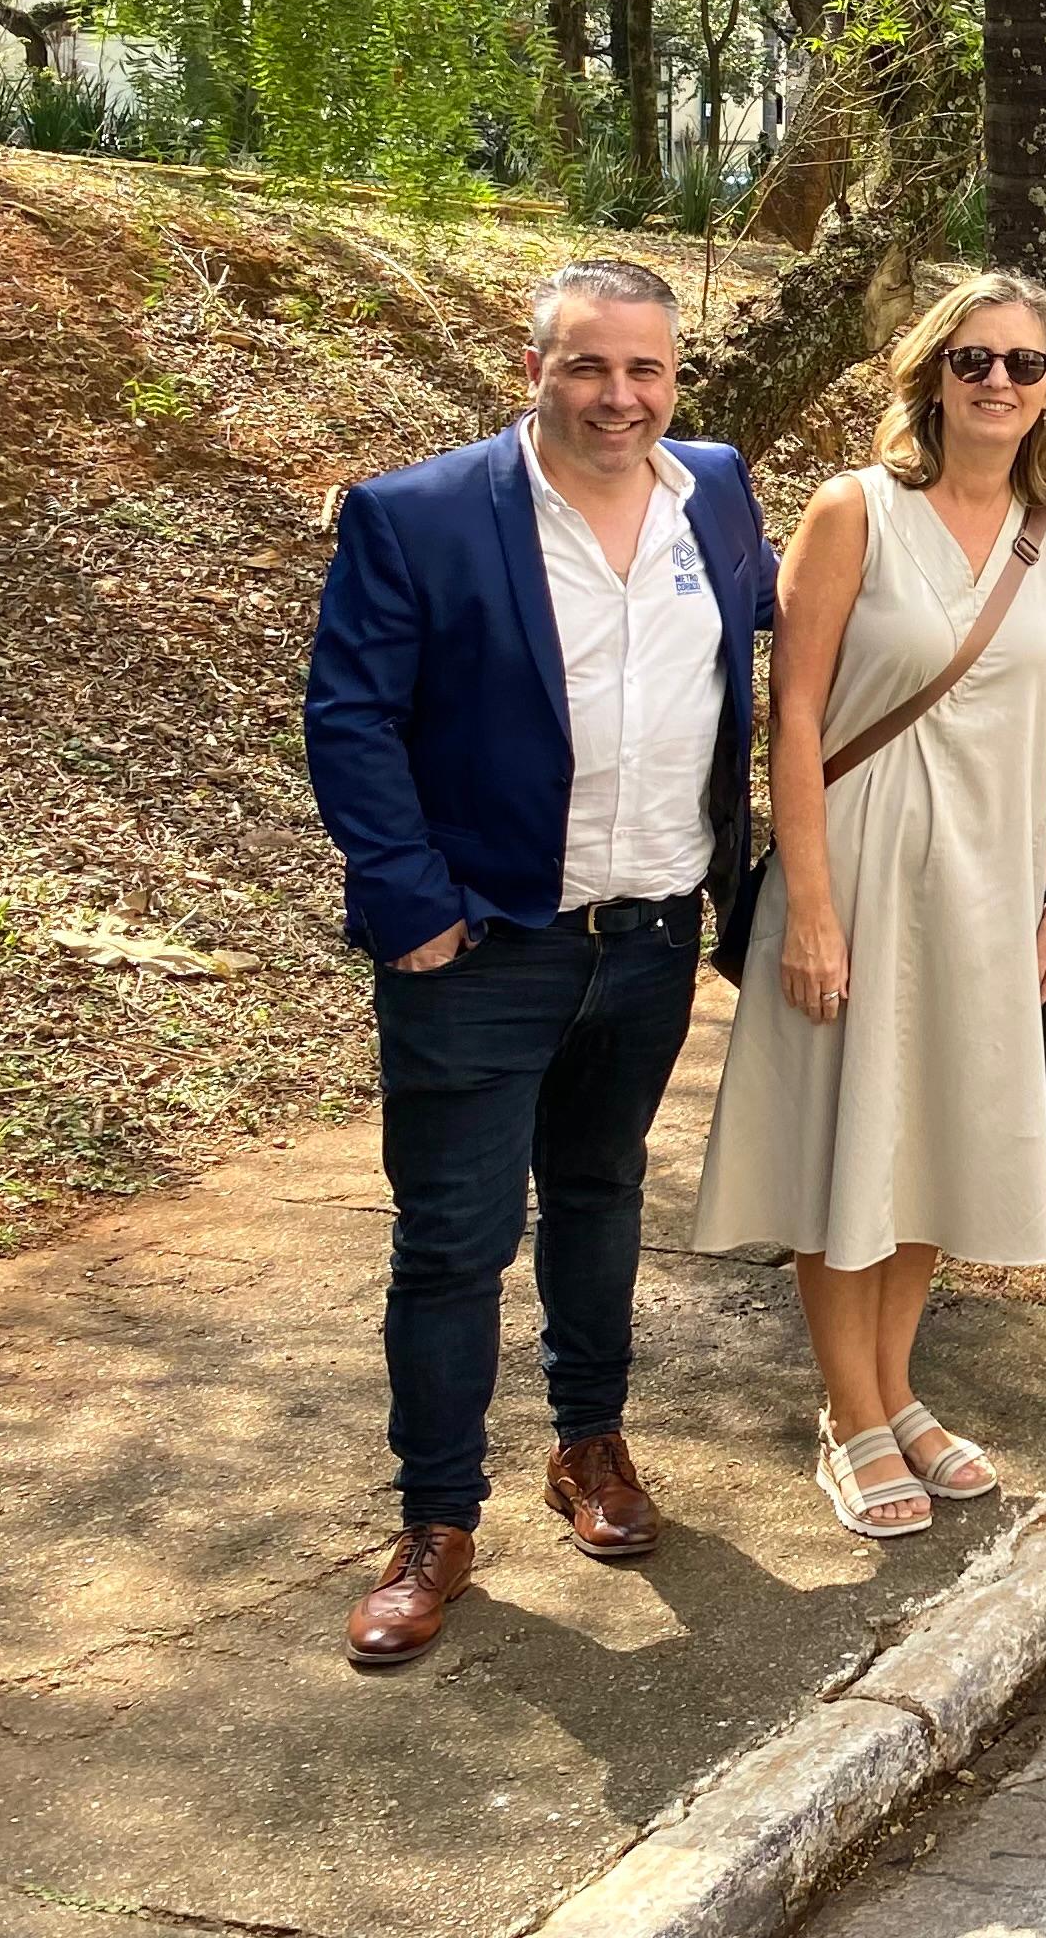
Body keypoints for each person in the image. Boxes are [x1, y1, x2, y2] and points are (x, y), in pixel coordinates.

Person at [304, 260, 779, 1667]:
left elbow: (770, 658)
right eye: (587, 367)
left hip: (649, 933)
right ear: (534, 369)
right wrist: (411, 907)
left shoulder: (718, 494)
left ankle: (591, 1446)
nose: (618, 398)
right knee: (451, 1242)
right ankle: (438, 1521)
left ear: (676, 378)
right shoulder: (422, 515)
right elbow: (352, 718)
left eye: (645, 370)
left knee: (600, 1191)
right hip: (481, 946)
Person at [691, 273, 1046, 1536]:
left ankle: (898, 1388)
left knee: (931, 1133)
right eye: (974, 360)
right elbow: (794, 717)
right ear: (933, 374)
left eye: (1024, 366)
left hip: (990, 873)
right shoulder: (854, 510)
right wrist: (808, 907)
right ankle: (850, 1412)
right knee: (846, 1133)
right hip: (860, 862)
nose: (997, 383)